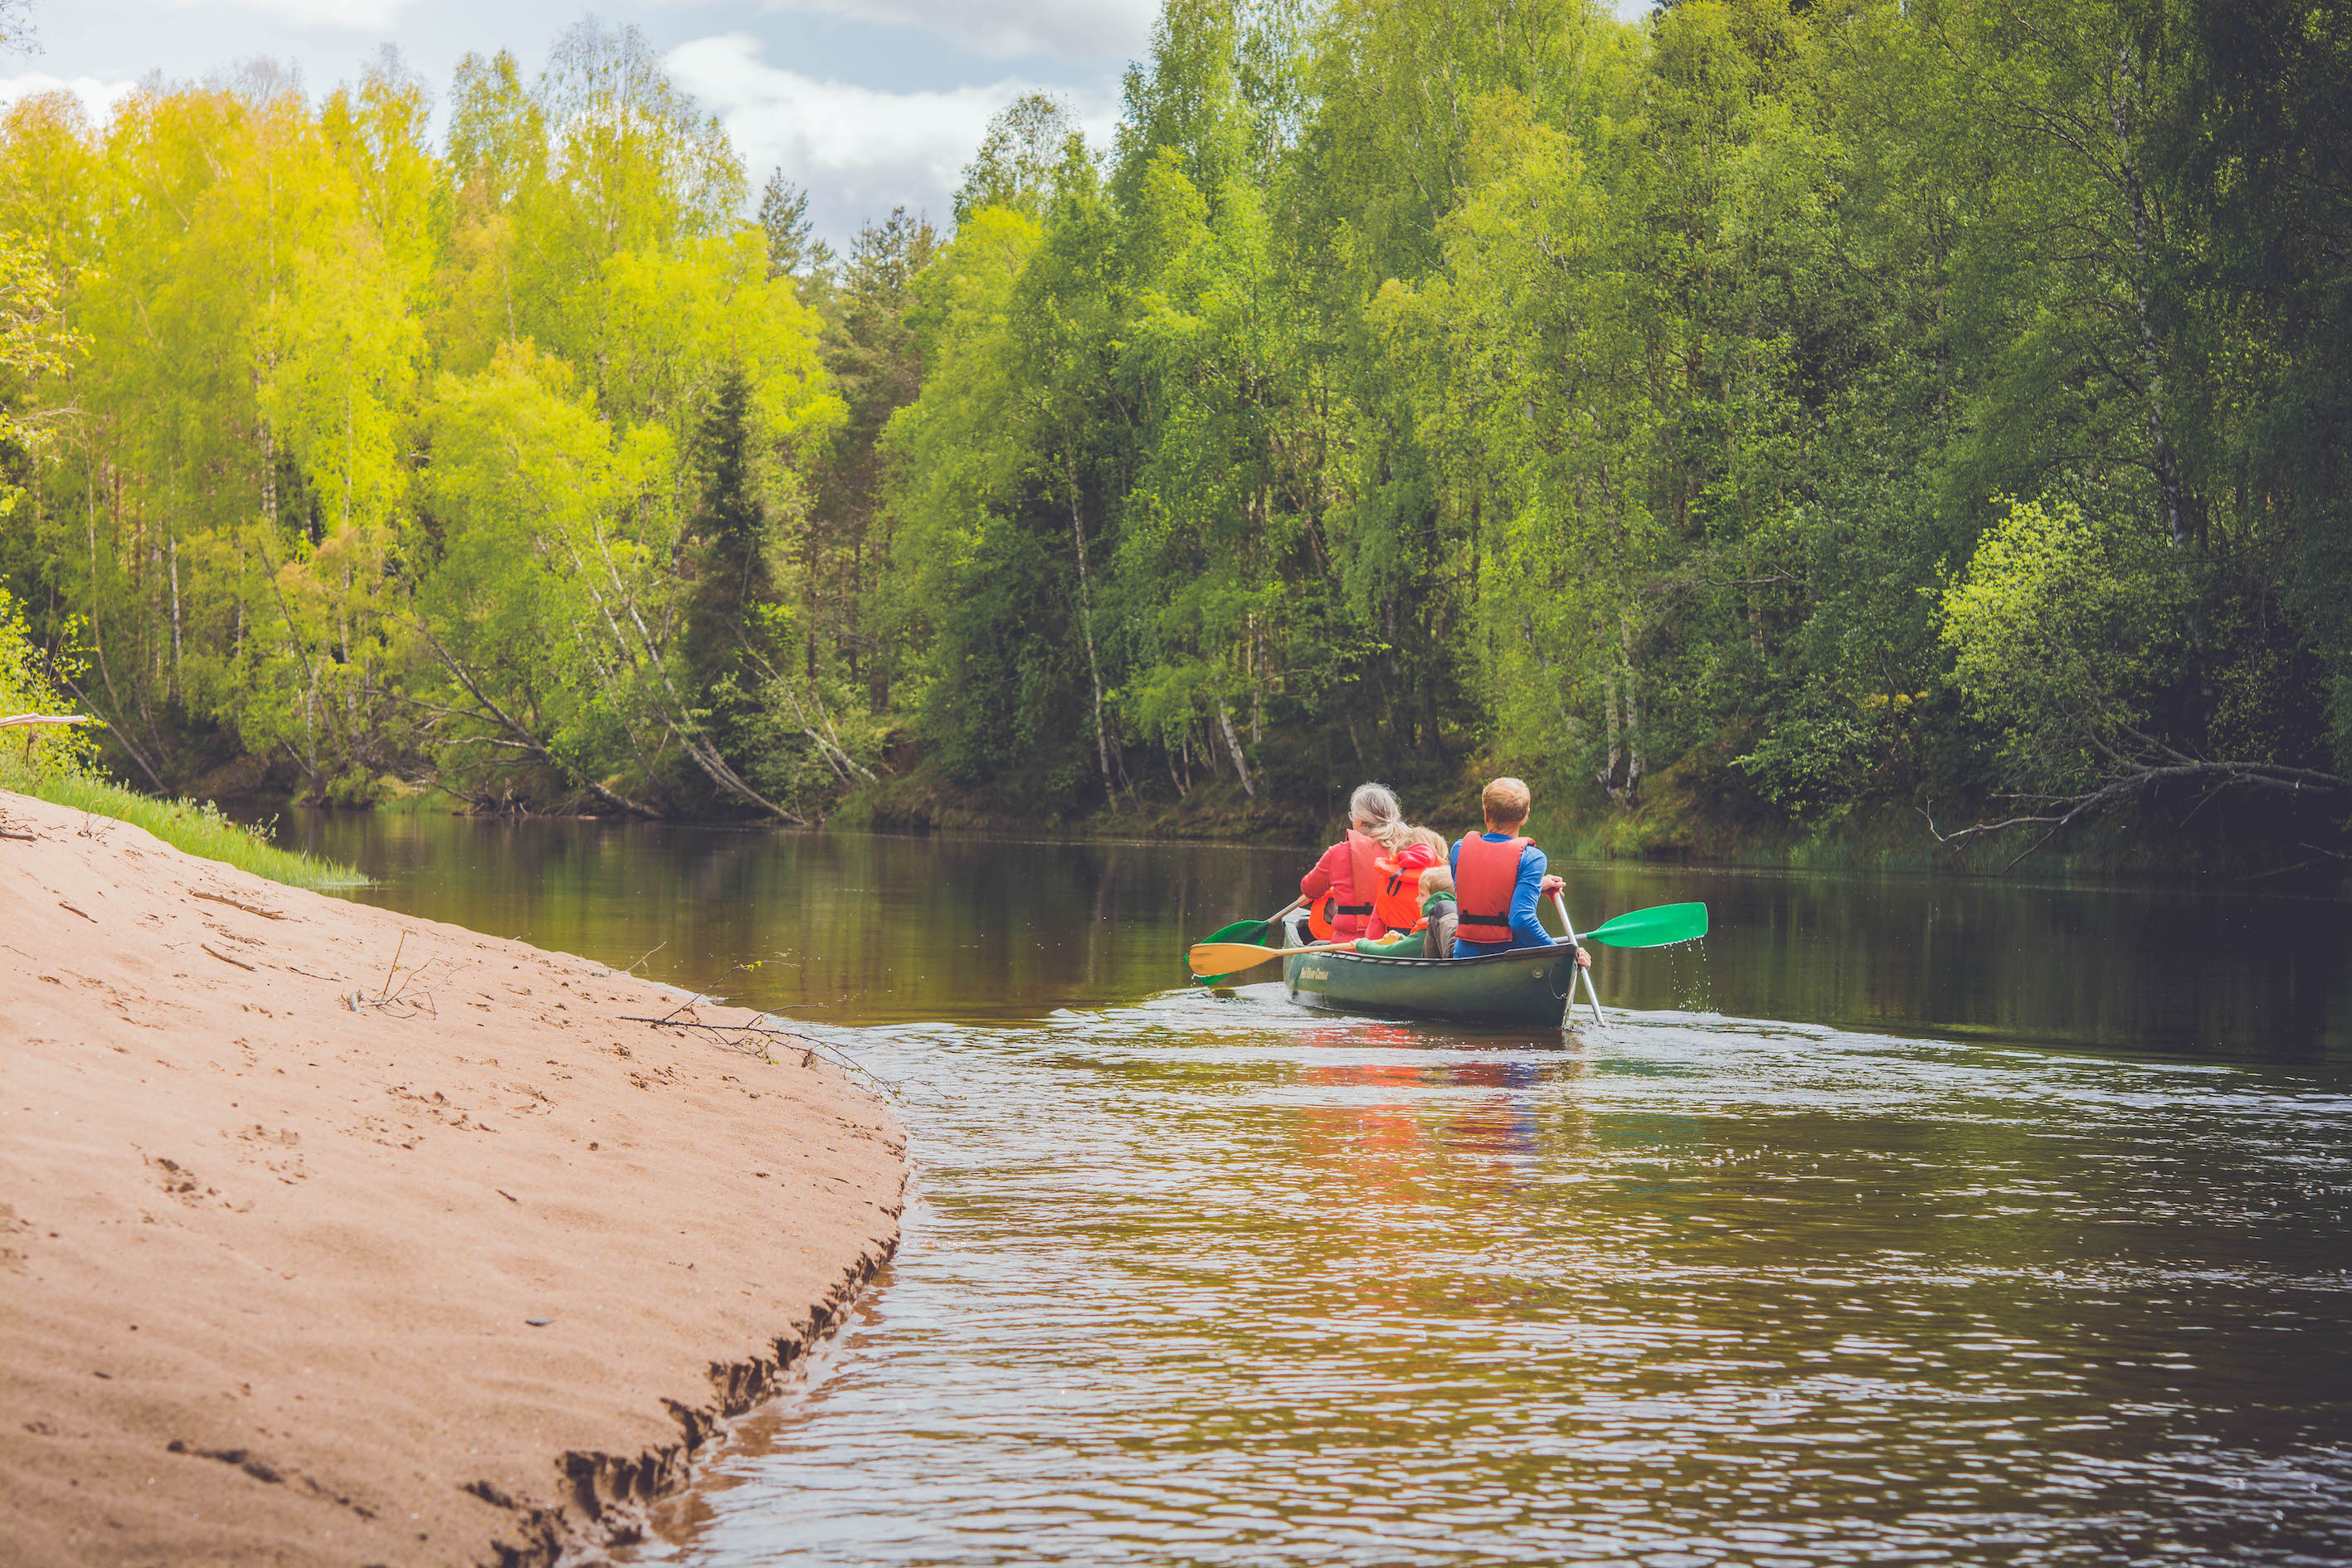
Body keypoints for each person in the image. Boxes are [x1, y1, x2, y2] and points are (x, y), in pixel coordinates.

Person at [1449, 777, 1594, 976]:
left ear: (1485, 814)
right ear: (1525, 816)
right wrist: (1563, 953)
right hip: (1513, 963)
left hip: (1466, 959)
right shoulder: (1533, 859)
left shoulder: (1459, 850)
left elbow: (1480, 888)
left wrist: (1537, 885)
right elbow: (1521, 920)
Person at [1303, 783, 1410, 942]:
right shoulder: (1412, 848)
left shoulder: (1338, 853)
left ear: (1360, 820)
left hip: (1350, 945)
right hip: (1400, 945)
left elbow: (1310, 889)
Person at [1350, 860, 1458, 960]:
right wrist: (1402, 939)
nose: (1417, 900)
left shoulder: (1429, 928)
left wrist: (1364, 945)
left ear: (1437, 898)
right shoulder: (1451, 921)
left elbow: (1390, 953)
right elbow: (1415, 946)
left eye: (1422, 895)